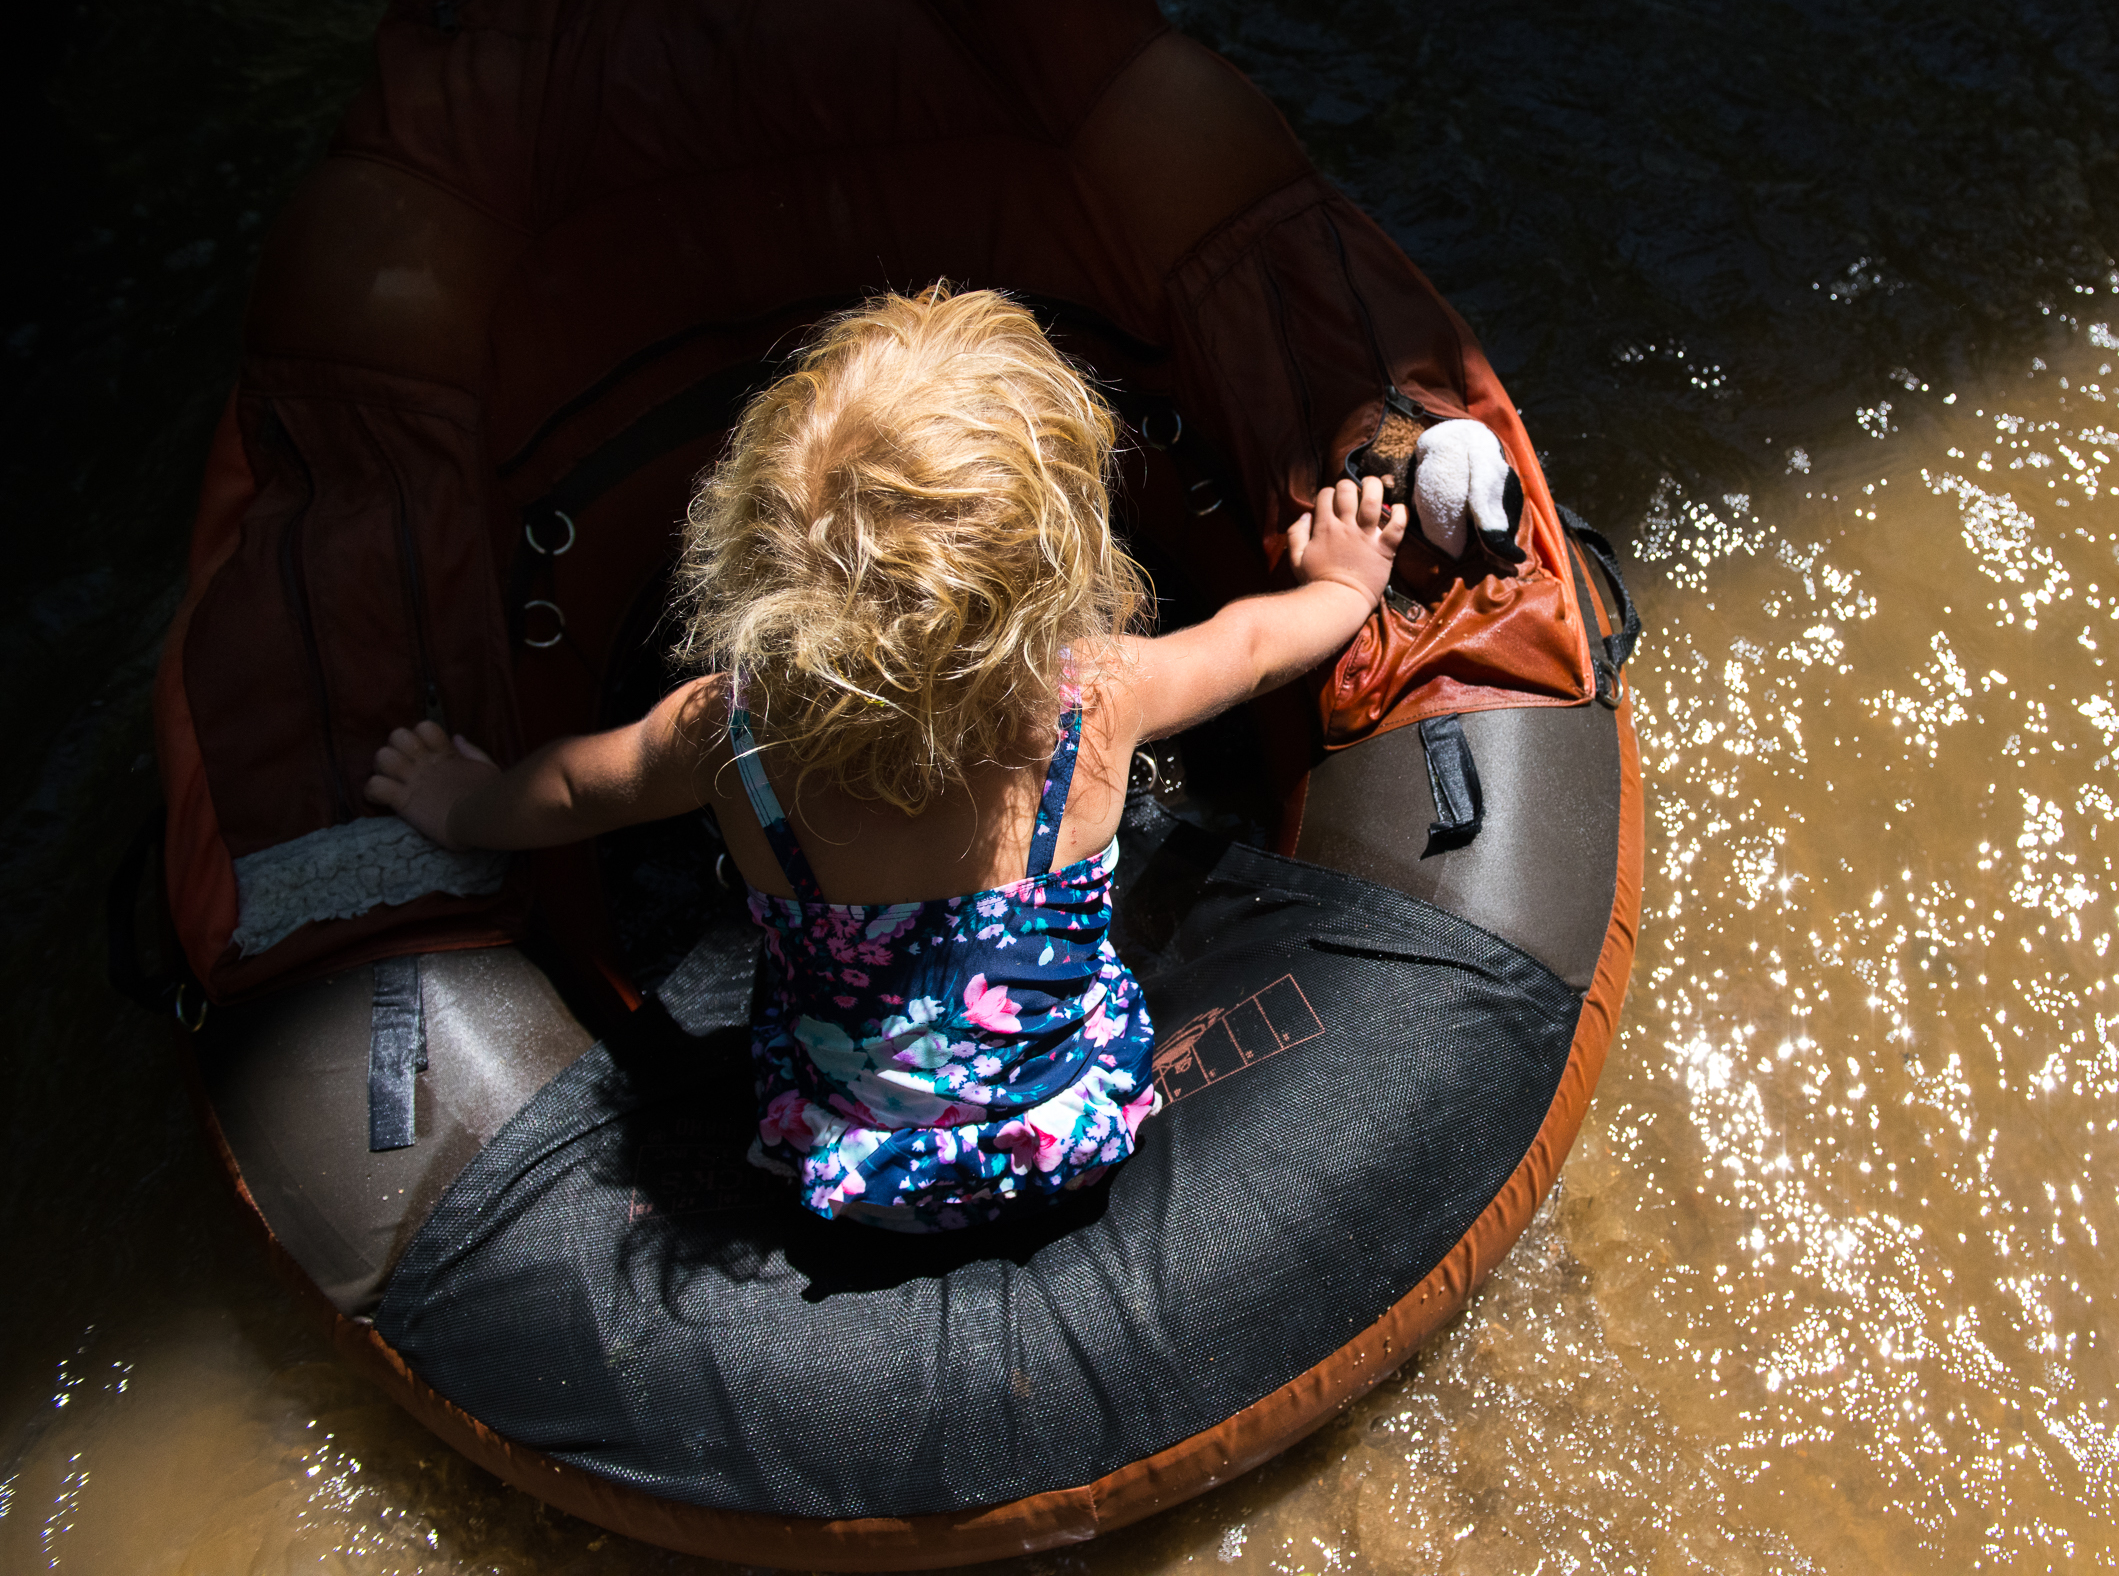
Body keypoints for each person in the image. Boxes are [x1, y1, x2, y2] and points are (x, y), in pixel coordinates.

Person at [366, 286, 1408, 1230]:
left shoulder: (728, 737)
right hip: (1070, 1138)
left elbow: (566, 791)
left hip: (846, 1168)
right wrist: (1342, 587)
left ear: (748, 553)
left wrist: (458, 806)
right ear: (1061, 568)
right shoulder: (1095, 701)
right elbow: (1252, 648)